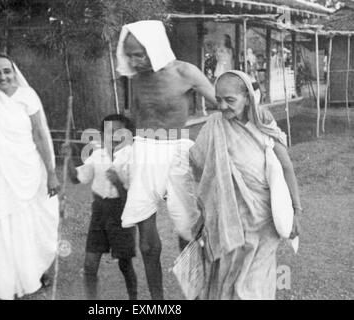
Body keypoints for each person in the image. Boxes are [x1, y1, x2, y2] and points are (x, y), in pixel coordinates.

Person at [115, 20, 216, 299]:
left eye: (140, 54)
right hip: (144, 151)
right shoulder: (135, 77)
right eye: (130, 54)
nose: (134, 60)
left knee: (188, 229)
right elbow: (134, 116)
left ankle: (193, 293)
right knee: (147, 244)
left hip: (179, 152)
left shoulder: (186, 72)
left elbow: (225, 102)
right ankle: (156, 301)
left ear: (156, 47)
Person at [189, 70, 302, 299]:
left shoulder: (264, 122)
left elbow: (286, 166)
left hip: (263, 222)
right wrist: (208, 208)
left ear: (247, 97)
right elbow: (199, 163)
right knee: (227, 282)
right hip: (227, 222)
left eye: (230, 100)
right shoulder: (214, 125)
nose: (222, 106)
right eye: (218, 99)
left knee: (253, 286)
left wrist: (296, 210)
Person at [0, 53, 60, 300]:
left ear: (14, 71)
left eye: (6, 71)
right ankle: (7, 281)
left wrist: (51, 173)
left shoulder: (27, 96)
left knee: (35, 222)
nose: (2, 77)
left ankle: (33, 273)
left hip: (30, 170)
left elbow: (40, 135)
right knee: (2, 223)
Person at [63, 114, 138, 300]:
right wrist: (69, 158)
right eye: (107, 132)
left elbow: (135, 199)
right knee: (89, 265)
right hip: (99, 213)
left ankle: (134, 299)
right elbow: (76, 178)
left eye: (117, 132)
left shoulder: (132, 159)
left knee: (125, 263)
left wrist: (119, 184)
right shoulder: (97, 155)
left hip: (122, 214)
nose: (112, 136)